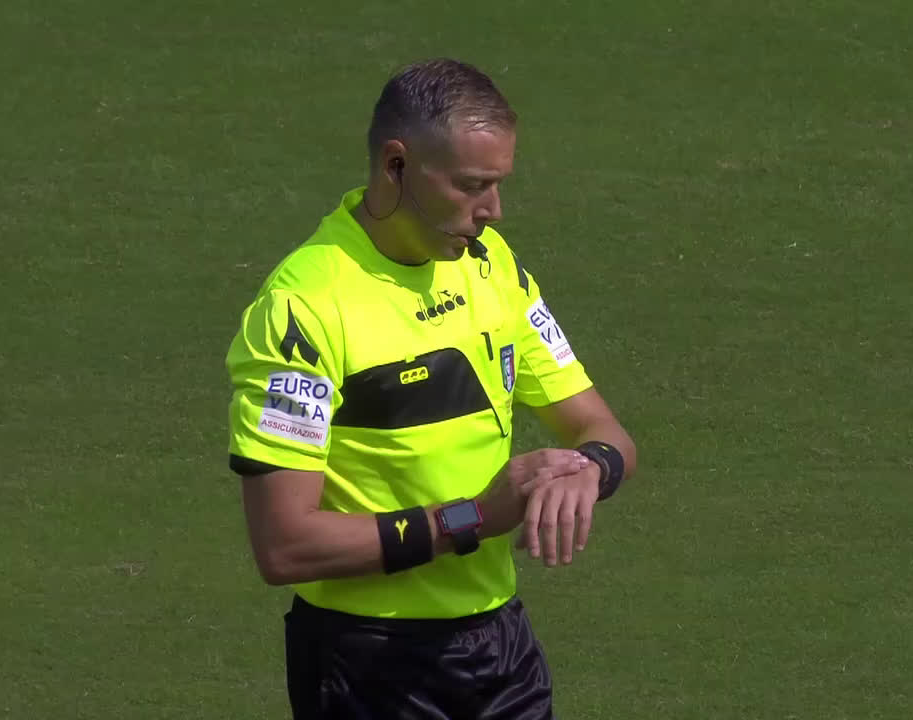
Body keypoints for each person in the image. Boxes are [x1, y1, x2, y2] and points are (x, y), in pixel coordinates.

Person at [223, 58, 638, 720]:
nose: (493, 211)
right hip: (369, 663)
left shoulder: (491, 267)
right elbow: (285, 545)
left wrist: (589, 468)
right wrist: (472, 517)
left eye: (497, 185)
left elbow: (602, 429)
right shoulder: (305, 309)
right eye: (471, 186)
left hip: (500, 647)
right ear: (397, 165)